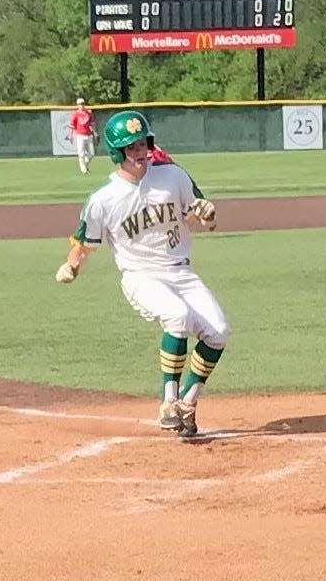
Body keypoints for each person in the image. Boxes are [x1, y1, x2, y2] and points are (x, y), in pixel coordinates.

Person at [54, 109, 229, 438]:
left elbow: (200, 216)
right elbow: (83, 244)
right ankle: (168, 402)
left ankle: (188, 404)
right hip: (141, 276)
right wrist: (72, 265)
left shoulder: (173, 176)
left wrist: (207, 215)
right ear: (117, 152)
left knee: (219, 331)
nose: (139, 152)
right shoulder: (102, 200)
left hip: (180, 271)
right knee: (177, 317)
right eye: (130, 147)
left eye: (142, 144)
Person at [67, 98, 97, 174]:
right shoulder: (75, 114)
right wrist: (70, 135)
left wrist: (95, 133)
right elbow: (71, 125)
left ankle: (85, 165)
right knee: (81, 153)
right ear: (77, 105)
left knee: (91, 153)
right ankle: (83, 169)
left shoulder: (89, 113)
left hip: (89, 135)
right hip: (80, 135)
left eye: (83, 103)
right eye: (80, 104)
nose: (82, 105)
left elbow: (92, 124)